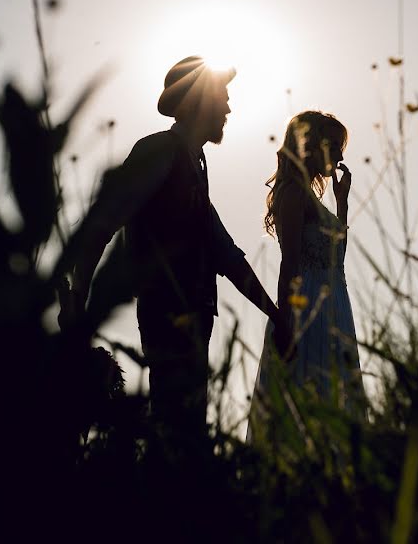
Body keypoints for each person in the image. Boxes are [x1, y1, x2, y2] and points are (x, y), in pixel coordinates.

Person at [61, 56, 291, 452]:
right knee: (175, 429)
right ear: (195, 102)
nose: (229, 108)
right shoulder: (158, 152)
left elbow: (226, 253)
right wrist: (79, 301)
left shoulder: (193, 164)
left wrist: (276, 315)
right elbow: (102, 222)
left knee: (185, 432)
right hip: (166, 313)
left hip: (195, 315)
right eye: (222, 97)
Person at [247, 111, 365, 436]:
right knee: (305, 398)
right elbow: (290, 262)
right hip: (307, 307)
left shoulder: (314, 198)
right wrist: (286, 321)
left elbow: (335, 258)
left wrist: (341, 204)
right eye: (336, 146)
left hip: (333, 305)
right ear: (313, 146)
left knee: (333, 401)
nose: (341, 155)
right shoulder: (294, 193)